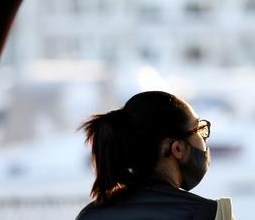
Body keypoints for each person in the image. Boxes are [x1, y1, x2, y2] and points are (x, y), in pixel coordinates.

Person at [75, 91, 234, 220]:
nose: (204, 139)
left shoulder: (90, 215)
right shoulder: (210, 214)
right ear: (177, 148)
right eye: (198, 130)